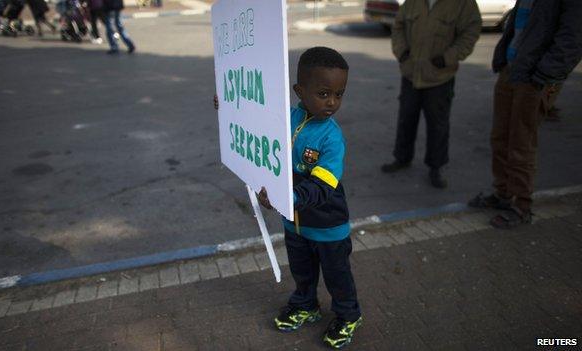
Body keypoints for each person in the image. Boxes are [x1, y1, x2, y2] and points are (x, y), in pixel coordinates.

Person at [214, 47, 362, 349]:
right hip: (294, 222)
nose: (332, 102)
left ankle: (348, 315)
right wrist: (227, 107)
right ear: (299, 90)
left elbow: (322, 188)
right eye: (323, 93)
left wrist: (288, 197)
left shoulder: (332, 138)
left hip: (328, 226)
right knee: (302, 270)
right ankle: (306, 304)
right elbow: (251, 121)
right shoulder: (286, 116)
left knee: (337, 276)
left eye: (339, 94)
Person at [469, 0, 582, 228]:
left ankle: (521, 206)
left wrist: (545, 73)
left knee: (521, 142)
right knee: (500, 137)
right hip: (511, 69)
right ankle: (502, 194)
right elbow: (516, 26)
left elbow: (573, 38)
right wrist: (502, 57)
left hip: (534, 77)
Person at [382, 0, 481, 188]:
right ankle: (402, 158)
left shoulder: (462, 3)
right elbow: (398, 26)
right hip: (411, 74)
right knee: (406, 118)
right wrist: (402, 52)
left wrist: (448, 58)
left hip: (439, 77)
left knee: (438, 124)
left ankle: (436, 167)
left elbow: (471, 31)